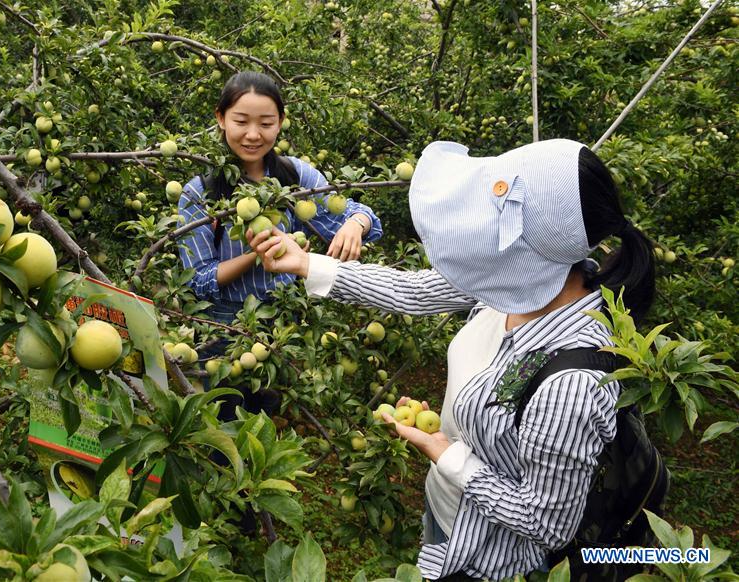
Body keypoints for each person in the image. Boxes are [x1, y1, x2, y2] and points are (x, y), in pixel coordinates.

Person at [247, 139, 656, 581]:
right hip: (448, 510)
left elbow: (547, 524)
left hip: (487, 559)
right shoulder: (514, 282)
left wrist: (446, 453)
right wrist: (306, 263)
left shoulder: (571, 381)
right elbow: (414, 291)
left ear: (524, 247)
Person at [178, 71, 383, 420]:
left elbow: (362, 217)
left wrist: (354, 223)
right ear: (220, 118)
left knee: (265, 425)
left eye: (266, 123)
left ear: (281, 123)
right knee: (219, 427)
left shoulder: (294, 176)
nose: (253, 134)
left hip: (280, 330)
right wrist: (252, 253)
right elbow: (197, 280)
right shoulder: (200, 192)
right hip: (221, 333)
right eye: (241, 121)